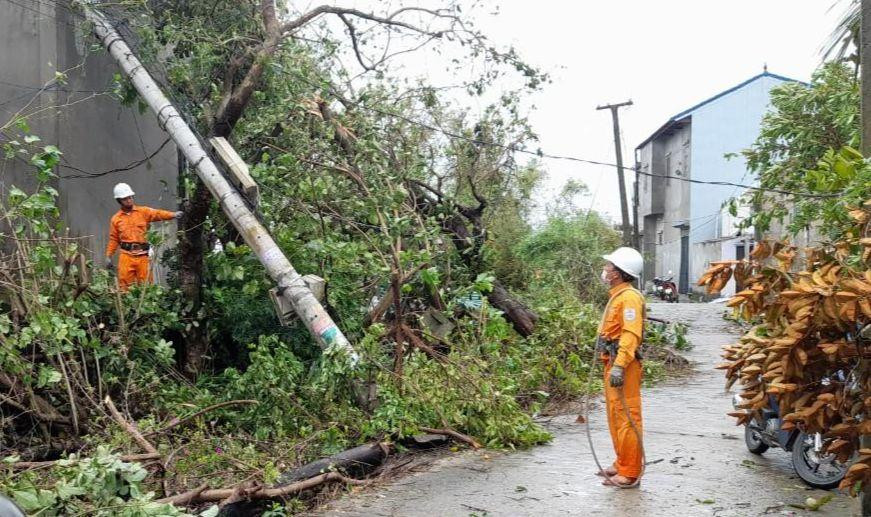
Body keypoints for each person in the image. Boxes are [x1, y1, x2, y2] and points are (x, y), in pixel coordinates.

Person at [596, 246, 645, 487]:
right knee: (615, 415)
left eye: (609, 266)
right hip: (612, 362)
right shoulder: (617, 295)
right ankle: (621, 462)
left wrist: (620, 365)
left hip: (624, 366)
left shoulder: (629, 299)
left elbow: (630, 334)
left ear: (618, 272)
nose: (605, 269)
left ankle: (631, 470)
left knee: (627, 416)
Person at [105, 183, 182, 291]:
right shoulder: (116, 219)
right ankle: (128, 307)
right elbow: (114, 239)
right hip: (126, 257)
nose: (129, 200)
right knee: (124, 287)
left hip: (143, 257)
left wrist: (173, 215)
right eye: (125, 198)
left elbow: (157, 213)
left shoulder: (143, 212)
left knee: (146, 287)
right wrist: (108, 255)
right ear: (119, 200)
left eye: (130, 197)